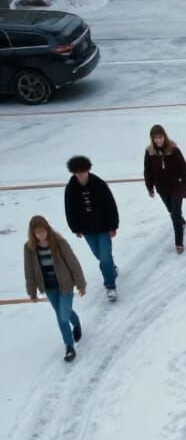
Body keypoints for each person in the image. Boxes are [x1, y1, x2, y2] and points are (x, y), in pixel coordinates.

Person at [24, 215, 86, 362]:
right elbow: (29, 271)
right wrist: (32, 292)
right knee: (63, 312)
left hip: (65, 284)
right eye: (37, 233)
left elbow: (73, 262)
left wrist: (81, 284)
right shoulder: (29, 248)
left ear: (47, 229)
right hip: (49, 287)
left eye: (43, 231)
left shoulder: (58, 243)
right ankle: (76, 324)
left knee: (62, 316)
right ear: (32, 233)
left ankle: (69, 347)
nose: (41, 235)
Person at [64, 155, 119, 302]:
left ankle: (110, 286)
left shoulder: (99, 184)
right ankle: (111, 270)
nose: (80, 175)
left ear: (88, 170)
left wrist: (113, 225)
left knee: (105, 256)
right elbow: (69, 210)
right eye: (77, 172)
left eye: (83, 171)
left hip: (103, 227)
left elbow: (110, 205)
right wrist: (75, 228)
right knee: (100, 256)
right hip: (87, 230)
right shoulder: (71, 189)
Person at [144, 124, 186, 253]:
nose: (158, 140)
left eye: (160, 137)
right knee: (172, 210)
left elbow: (184, 168)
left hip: (177, 185)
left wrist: (184, 184)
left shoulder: (173, 149)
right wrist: (150, 187)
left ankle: (179, 242)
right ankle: (181, 221)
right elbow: (148, 171)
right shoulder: (149, 152)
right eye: (155, 138)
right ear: (152, 139)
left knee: (174, 213)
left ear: (164, 136)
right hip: (162, 187)